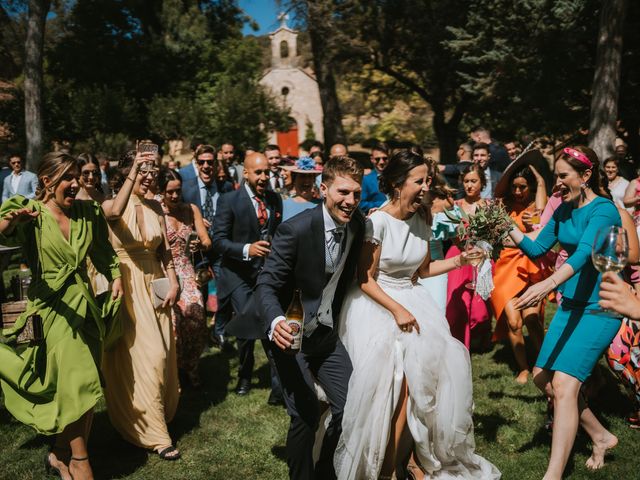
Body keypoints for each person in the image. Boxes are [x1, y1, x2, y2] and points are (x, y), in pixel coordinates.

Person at [335, 149, 499, 480]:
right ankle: (386, 469)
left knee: (435, 375)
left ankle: (410, 460)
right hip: (378, 304)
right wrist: (397, 310)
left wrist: (460, 261)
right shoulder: (376, 222)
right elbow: (364, 280)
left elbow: (422, 270)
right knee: (400, 384)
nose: (426, 187)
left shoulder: (422, 217)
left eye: (427, 179)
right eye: (418, 180)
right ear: (397, 183)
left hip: (414, 301)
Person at [0, 152, 123, 480]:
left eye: (77, 177)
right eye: (68, 178)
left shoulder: (87, 212)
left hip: (84, 307)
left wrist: (117, 278)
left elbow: (104, 252)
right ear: (47, 181)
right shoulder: (31, 213)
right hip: (51, 310)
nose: (75, 184)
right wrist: (14, 220)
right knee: (76, 380)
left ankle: (59, 453)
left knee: (82, 385)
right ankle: (81, 459)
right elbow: (2, 229)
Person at [509, 146, 621, 478]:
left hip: (600, 308)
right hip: (570, 305)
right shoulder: (563, 209)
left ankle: (553, 475)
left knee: (565, 386)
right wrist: (504, 226)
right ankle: (601, 436)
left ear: (586, 175)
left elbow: (586, 252)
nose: (557, 183)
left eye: (563, 176)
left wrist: (547, 285)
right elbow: (538, 247)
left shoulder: (604, 210)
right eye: (556, 176)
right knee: (543, 378)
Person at [255, 156, 365, 479]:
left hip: (326, 337)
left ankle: (325, 471)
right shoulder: (296, 230)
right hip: (290, 337)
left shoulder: (357, 226)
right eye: (343, 192)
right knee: (305, 414)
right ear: (324, 188)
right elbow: (266, 284)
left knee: (351, 408)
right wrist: (276, 323)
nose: (350, 202)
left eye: (356, 194)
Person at [101, 150, 182, 460]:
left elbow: (165, 251)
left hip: (155, 284)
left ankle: (155, 415)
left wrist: (173, 281)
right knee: (148, 356)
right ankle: (157, 437)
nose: (150, 176)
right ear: (128, 172)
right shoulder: (111, 203)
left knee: (162, 354)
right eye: (143, 170)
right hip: (127, 281)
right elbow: (112, 215)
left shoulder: (155, 206)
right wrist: (134, 171)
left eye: (152, 170)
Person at [212, 153, 283, 399]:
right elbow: (218, 241)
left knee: (272, 324)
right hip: (238, 276)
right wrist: (247, 249)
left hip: (266, 274)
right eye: (258, 173)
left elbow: (277, 230)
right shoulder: (229, 200)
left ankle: (278, 387)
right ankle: (244, 375)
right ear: (246, 173)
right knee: (246, 328)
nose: (263, 177)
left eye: (266, 172)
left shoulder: (275, 200)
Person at [491, 165, 549, 384]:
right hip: (506, 271)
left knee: (532, 321)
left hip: (530, 270)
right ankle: (523, 368)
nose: (517, 192)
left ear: (531, 187)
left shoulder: (536, 207)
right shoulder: (502, 207)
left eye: (522, 187)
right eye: (513, 187)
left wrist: (540, 177)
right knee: (514, 322)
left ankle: (544, 365)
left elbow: (541, 225)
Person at [158, 168, 211, 387]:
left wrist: (201, 242)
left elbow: (207, 241)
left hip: (187, 271)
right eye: (169, 192)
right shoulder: (156, 211)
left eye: (177, 191)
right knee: (173, 323)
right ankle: (175, 372)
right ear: (161, 191)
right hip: (164, 271)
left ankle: (191, 366)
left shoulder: (191, 210)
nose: (174, 196)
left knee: (197, 318)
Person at [181, 145, 234, 349]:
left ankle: (219, 330)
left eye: (209, 162)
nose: (205, 166)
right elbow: (178, 216)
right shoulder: (187, 188)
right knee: (198, 294)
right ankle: (201, 334)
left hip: (220, 248)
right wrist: (196, 222)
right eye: (201, 162)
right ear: (196, 163)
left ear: (215, 164)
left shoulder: (226, 187)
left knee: (225, 290)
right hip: (197, 250)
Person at [445, 164, 492, 350]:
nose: (469, 185)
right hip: (458, 255)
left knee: (480, 310)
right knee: (457, 305)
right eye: (466, 181)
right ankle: (459, 346)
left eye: (474, 181)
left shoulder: (490, 206)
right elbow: (450, 235)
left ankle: (482, 335)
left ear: (482, 183)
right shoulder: (454, 207)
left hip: (482, 255)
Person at [359, 142, 389, 214]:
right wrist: (384, 204)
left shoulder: (396, 176)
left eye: (385, 158)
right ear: (372, 159)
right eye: (377, 159)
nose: (381, 162)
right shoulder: (366, 179)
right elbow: (361, 204)